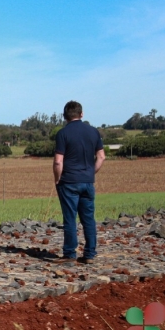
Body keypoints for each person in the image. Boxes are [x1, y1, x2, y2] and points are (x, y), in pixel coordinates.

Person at [53, 101, 105, 264]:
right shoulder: (93, 132)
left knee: (70, 218)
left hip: (68, 181)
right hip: (87, 181)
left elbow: (58, 161)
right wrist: (91, 172)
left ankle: (70, 253)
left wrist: (57, 178)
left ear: (65, 116)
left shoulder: (63, 133)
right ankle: (89, 254)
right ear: (81, 114)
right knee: (88, 218)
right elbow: (102, 156)